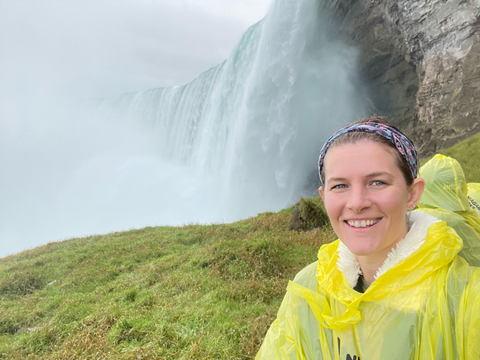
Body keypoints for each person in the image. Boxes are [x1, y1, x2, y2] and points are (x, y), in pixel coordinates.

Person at [255, 117, 480, 360]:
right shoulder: (309, 287)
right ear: (323, 197)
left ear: (412, 194)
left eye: (377, 182)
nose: (357, 203)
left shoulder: (466, 297)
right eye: (340, 186)